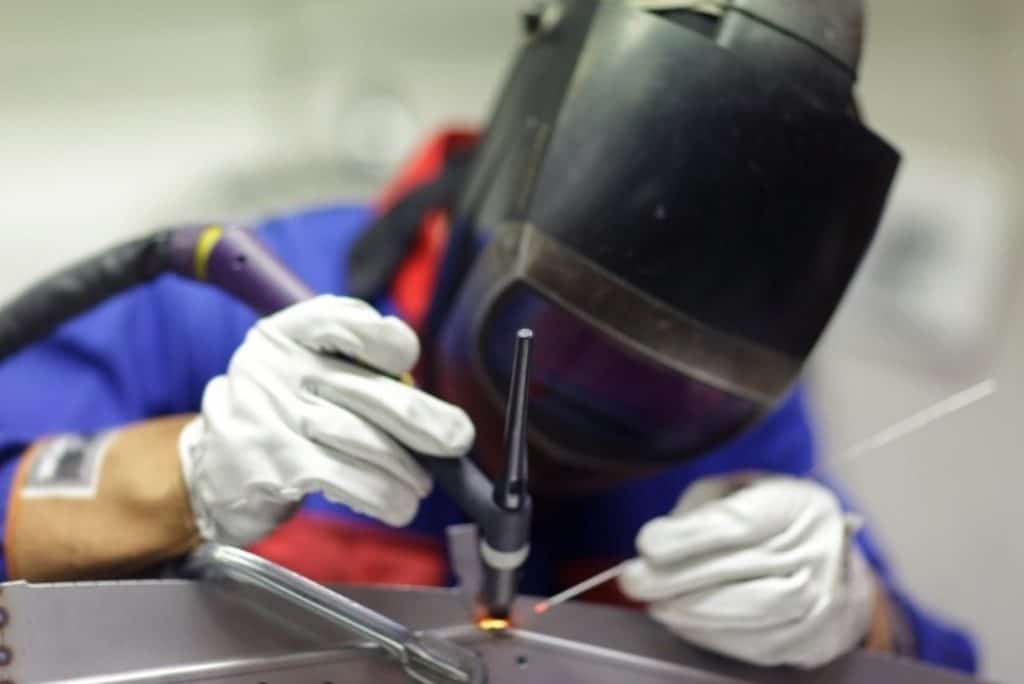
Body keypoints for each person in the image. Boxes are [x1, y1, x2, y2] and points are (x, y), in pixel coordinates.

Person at [0, 0, 976, 673]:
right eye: (564, 330)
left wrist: (856, 617)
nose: (597, 397)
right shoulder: (223, 309)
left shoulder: (727, 418)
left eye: (654, 377)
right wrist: (182, 473)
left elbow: (943, 664)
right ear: (498, 205)